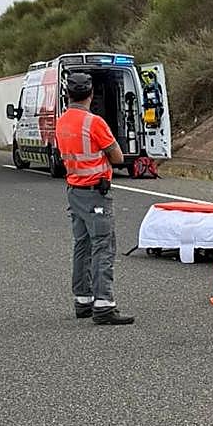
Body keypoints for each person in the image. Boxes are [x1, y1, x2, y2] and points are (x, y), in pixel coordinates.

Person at [55, 72, 133, 325]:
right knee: (103, 246)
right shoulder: (94, 122)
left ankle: (83, 299)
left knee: (82, 245)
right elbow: (118, 156)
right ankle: (104, 305)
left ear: (68, 95)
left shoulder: (62, 122)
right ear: (90, 94)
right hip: (95, 192)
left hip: (74, 190)